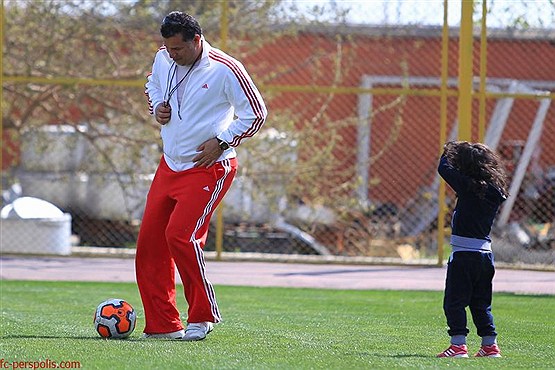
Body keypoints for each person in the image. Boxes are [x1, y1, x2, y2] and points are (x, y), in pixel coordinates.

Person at [137, 11, 267, 341]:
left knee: (180, 236)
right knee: (150, 243)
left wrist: (223, 140)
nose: (172, 55)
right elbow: (151, 84)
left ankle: (202, 315)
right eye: (167, 48)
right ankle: (164, 325)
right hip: (170, 164)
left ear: (196, 41)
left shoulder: (226, 68)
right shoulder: (164, 58)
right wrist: (156, 107)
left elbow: (257, 113)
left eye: (178, 49)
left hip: (209, 166)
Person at [436, 141, 508, 358]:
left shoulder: (470, 187)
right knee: (481, 303)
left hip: (464, 256)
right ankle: (490, 346)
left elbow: (443, 168)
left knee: (454, 302)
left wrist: (449, 150)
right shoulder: (494, 190)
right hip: (485, 256)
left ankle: (458, 346)